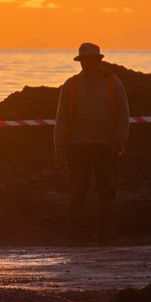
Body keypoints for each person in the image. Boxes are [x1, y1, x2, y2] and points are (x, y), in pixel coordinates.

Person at [52, 42, 130, 243]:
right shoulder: (71, 85)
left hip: (107, 147)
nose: (86, 64)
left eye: (90, 60)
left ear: (98, 60)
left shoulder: (114, 84)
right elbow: (62, 118)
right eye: (83, 60)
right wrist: (59, 148)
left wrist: (117, 141)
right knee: (78, 194)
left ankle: (107, 235)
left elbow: (123, 115)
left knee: (107, 194)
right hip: (77, 147)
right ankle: (76, 235)